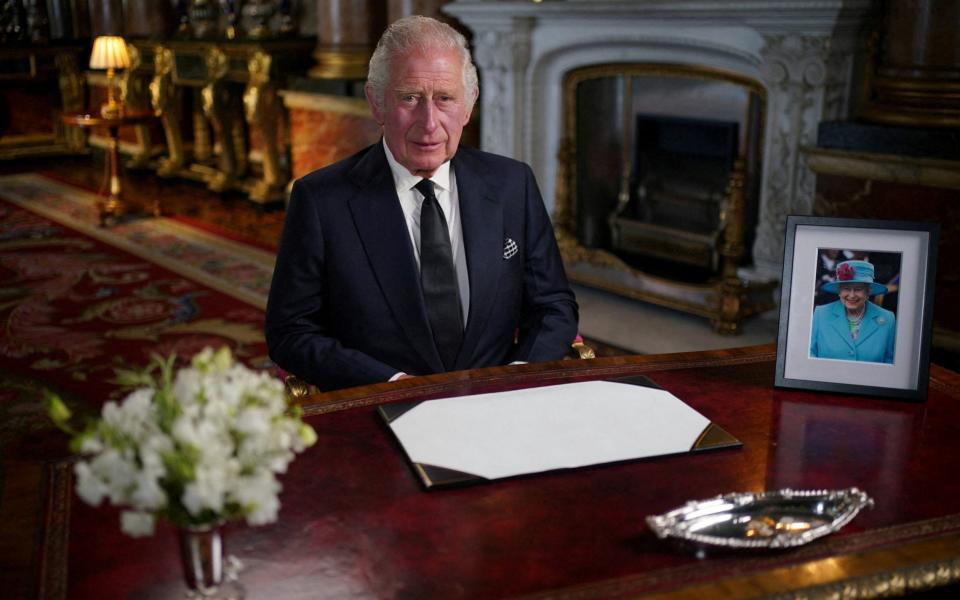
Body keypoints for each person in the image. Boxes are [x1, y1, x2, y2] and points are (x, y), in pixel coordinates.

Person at [265, 15, 579, 391]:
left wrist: (517, 375)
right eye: (409, 98)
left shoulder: (513, 184)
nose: (429, 122)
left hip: (499, 404)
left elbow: (553, 305)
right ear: (377, 103)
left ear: (469, 104)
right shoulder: (321, 201)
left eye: (445, 99)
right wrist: (390, 384)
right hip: (381, 409)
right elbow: (291, 331)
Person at [809, 259, 896, 364]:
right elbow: (810, 354)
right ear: (839, 291)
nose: (851, 295)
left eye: (858, 289)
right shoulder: (820, 314)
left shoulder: (887, 319)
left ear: (868, 291)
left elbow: (890, 362)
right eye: (846, 288)